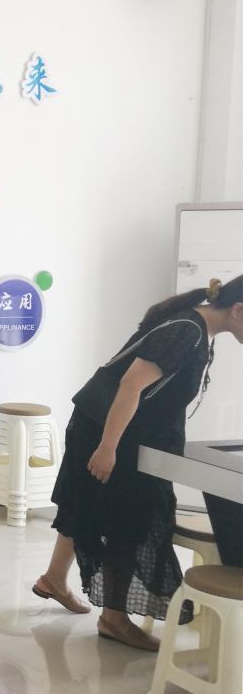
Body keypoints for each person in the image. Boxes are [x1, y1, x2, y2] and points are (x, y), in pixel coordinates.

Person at [33, 275, 243, 651]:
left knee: (87, 502)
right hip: (113, 432)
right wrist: (107, 448)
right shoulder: (187, 331)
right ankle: (114, 619)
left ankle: (54, 579)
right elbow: (131, 385)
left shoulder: (191, 323)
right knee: (128, 521)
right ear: (238, 310)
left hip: (107, 426)